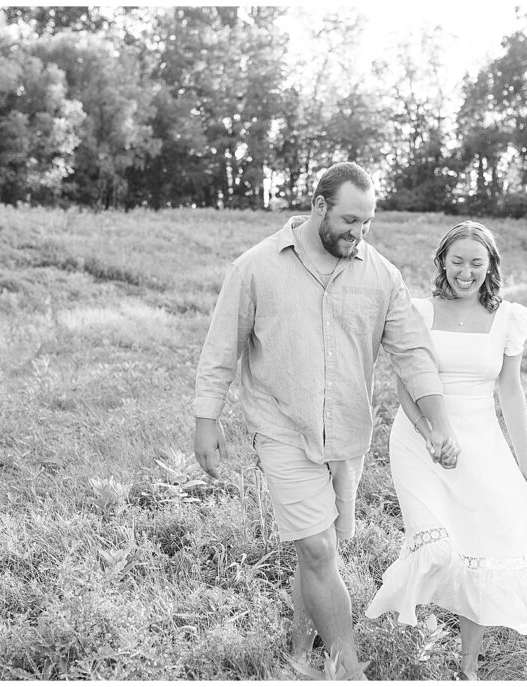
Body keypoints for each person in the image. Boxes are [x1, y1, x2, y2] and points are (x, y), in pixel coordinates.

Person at [193, 162, 460, 677]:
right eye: (350, 220)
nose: (359, 234)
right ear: (318, 206)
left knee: (323, 546)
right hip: (281, 427)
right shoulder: (255, 268)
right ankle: (349, 669)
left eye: (368, 223)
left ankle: (299, 651)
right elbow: (220, 350)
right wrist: (207, 419)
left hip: (347, 432)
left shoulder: (380, 274)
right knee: (317, 547)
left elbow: (413, 353)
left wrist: (438, 422)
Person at [365, 221, 527, 680]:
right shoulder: (418, 312)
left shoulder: (507, 317)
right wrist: (429, 434)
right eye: (457, 261)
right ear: (442, 261)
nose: (466, 272)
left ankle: (468, 667)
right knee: (438, 550)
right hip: (418, 439)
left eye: (476, 263)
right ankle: (400, 621)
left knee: (478, 552)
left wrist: (526, 463)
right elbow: (404, 385)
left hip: (481, 442)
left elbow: (511, 392)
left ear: (490, 266)